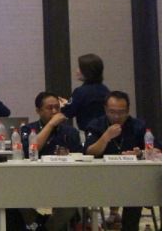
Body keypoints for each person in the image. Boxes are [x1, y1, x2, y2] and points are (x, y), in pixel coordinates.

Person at [10, 92, 83, 231]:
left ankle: (44, 228)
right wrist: (50, 125)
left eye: (57, 107)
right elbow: (28, 152)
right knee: (15, 197)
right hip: (33, 181)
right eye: (50, 108)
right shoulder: (27, 129)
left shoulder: (70, 132)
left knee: (70, 206)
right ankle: (38, 223)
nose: (54, 111)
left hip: (64, 183)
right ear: (38, 111)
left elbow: (79, 156)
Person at [84, 92, 147, 231]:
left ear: (128, 110)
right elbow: (89, 152)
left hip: (131, 180)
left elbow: (155, 149)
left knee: (136, 194)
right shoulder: (96, 125)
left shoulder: (138, 126)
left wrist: (140, 153)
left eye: (121, 112)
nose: (117, 116)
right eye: (112, 112)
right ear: (105, 109)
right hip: (100, 177)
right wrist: (106, 137)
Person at [61, 53, 109, 132]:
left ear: (88, 71)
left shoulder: (80, 92)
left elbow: (68, 112)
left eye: (80, 68)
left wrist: (62, 104)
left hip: (88, 133)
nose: (77, 70)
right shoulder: (105, 90)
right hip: (104, 132)